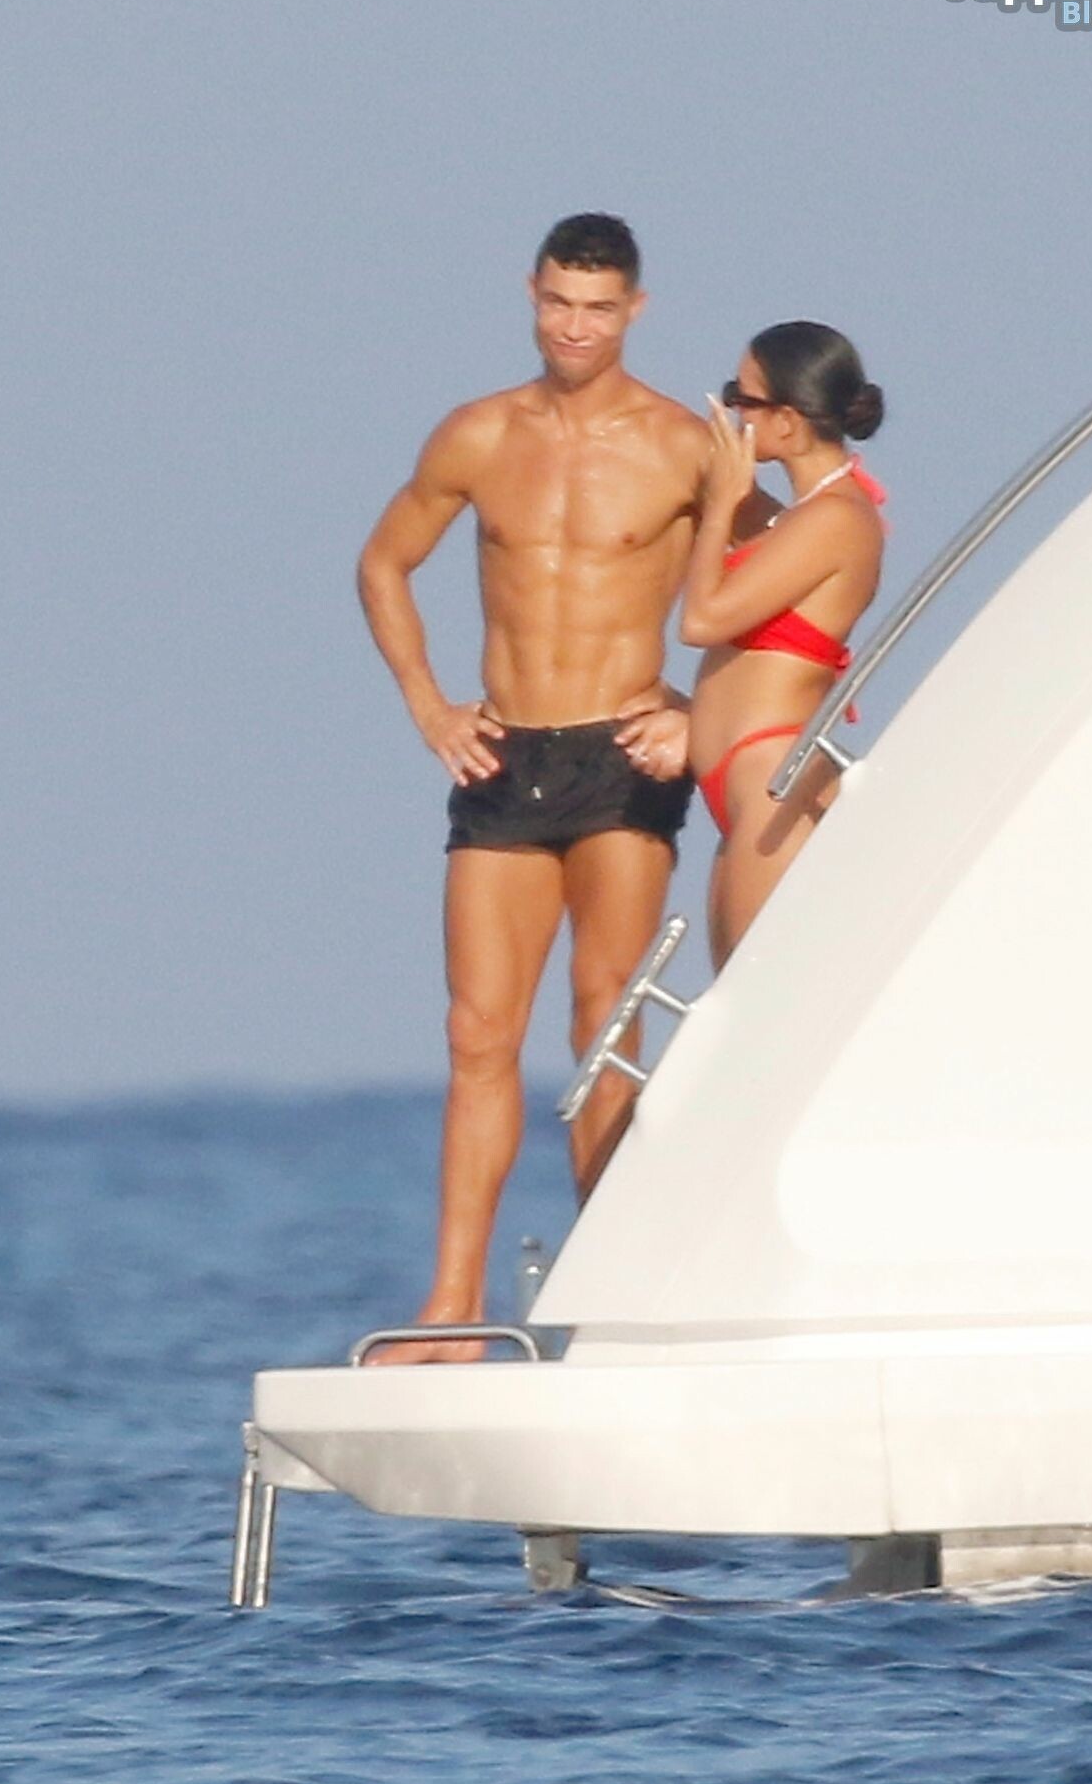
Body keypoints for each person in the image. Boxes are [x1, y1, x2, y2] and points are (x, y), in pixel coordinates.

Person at [357, 213, 707, 1362]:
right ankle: (451, 1311)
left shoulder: (684, 444)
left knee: (603, 1023)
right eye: (558, 302)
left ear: (634, 311)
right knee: (476, 1033)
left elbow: (777, 587)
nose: (575, 327)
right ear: (530, 294)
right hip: (505, 754)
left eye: (597, 308)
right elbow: (383, 562)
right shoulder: (478, 432)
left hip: (621, 753)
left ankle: (611, 1306)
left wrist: (698, 713)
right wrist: (428, 707)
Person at [681, 322, 885, 969]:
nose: (735, 414)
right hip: (745, 785)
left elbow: (702, 620)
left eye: (742, 399)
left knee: (755, 997)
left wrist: (721, 505)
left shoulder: (837, 518)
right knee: (731, 995)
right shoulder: (794, 518)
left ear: (789, 423)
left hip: (774, 780)